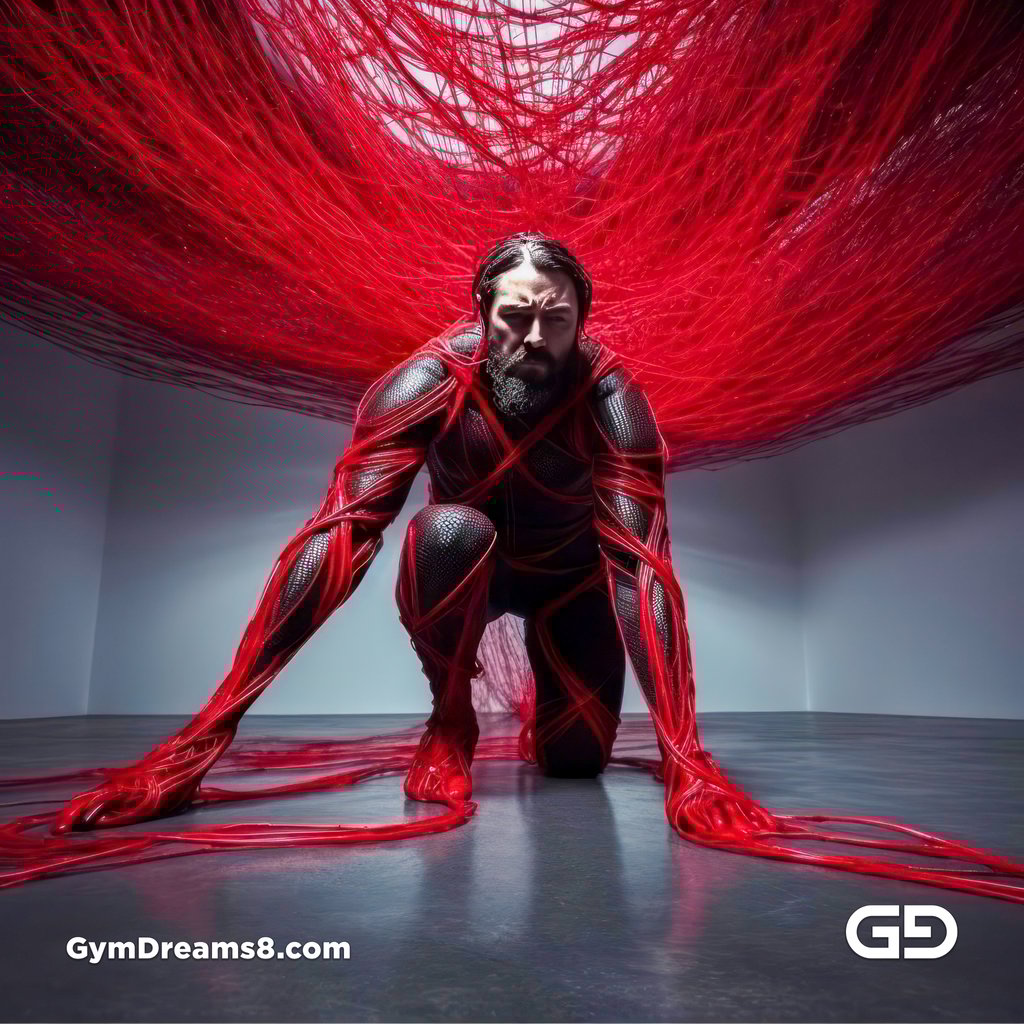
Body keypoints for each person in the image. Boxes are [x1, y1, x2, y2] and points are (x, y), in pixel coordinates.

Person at [52, 232, 772, 838]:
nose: (535, 339)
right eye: (515, 317)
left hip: (572, 581)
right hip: (469, 564)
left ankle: (549, 709)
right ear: (481, 311)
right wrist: (207, 734)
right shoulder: (429, 379)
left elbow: (641, 566)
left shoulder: (614, 398)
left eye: (557, 319)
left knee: (577, 763)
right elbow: (339, 536)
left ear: (584, 318)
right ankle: (449, 722)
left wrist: (687, 758)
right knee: (448, 530)